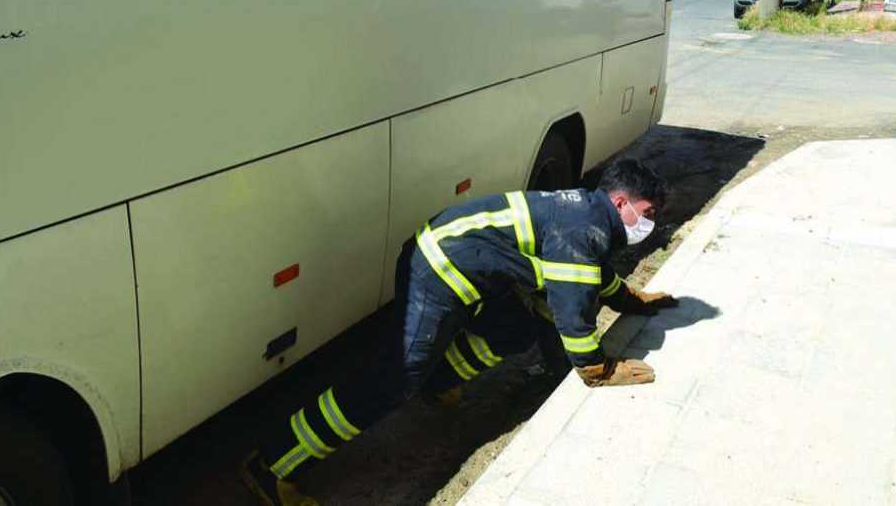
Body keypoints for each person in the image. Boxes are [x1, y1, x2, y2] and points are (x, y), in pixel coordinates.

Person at [241, 157, 670, 506]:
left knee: (514, 330)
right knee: (394, 379)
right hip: (439, 270)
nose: (648, 223)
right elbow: (573, 312)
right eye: (647, 213)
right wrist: (596, 368)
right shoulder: (585, 228)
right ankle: (275, 464)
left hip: (472, 267)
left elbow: (591, 276)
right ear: (620, 203)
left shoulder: (587, 212)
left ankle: (441, 380)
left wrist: (631, 301)